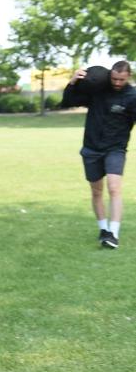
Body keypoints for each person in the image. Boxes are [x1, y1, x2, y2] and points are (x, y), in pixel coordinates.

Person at [61, 60, 136, 249]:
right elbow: (69, 101)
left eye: (121, 79)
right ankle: (103, 228)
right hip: (92, 148)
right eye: (114, 78)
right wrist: (73, 82)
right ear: (110, 75)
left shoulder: (132, 97)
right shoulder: (98, 90)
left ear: (129, 77)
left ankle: (113, 233)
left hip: (115, 149)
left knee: (114, 188)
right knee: (96, 191)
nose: (117, 83)